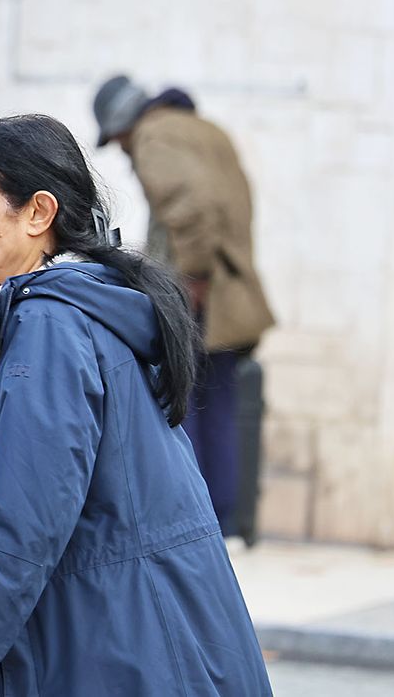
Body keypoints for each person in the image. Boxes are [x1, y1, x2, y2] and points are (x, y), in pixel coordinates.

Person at [0, 114, 274, 697]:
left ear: (38, 213)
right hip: (148, 652)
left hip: (121, 659)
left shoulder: (51, 327)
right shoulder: (91, 308)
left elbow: (16, 548)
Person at [93, 74, 275, 544]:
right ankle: (227, 518)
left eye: (117, 140)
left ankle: (195, 519)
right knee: (221, 405)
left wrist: (190, 275)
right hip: (230, 292)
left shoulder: (155, 135)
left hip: (199, 295)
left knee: (182, 403)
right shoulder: (204, 129)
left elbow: (190, 204)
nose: (123, 150)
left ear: (123, 125)